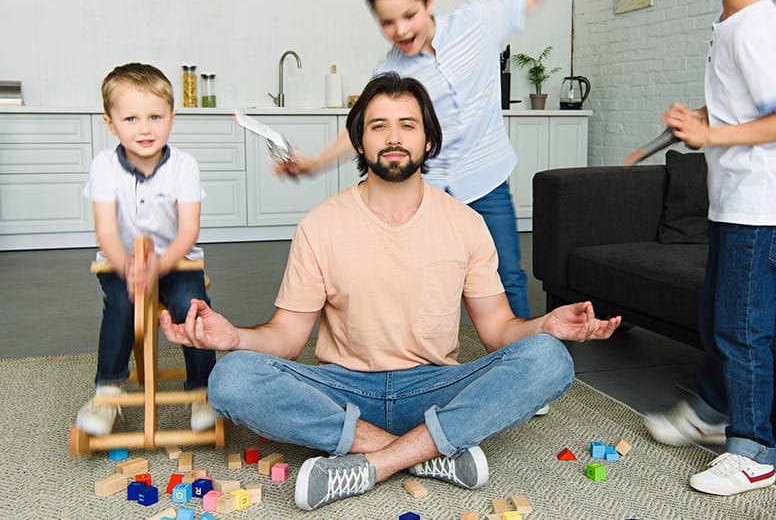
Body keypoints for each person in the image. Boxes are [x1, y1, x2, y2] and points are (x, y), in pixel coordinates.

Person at [161, 73, 621, 511]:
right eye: (379, 126)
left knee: (549, 358)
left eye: (408, 125)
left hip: (434, 386)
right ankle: (428, 452)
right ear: (360, 142)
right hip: (343, 390)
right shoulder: (320, 225)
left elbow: (499, 331)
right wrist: (234, 338)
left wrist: (545, 324)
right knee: (232, 378)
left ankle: (374, 463)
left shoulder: (466, 225)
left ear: (428, 140)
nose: (394, 137)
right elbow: (286, 338)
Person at [277, 0, 556, 319]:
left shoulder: (478, 21)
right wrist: (314, 163)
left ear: (429, 0)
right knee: (414, 285)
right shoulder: (390, 72)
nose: (400, 30)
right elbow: (365, 130)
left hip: (486, 182)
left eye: (409, 15)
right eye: (387, 22)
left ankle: (521, 363)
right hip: (427, 192)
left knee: (507, 278)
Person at [643, 0, 776, 497]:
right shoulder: (733, 20)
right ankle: (713, 411)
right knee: (719, 312)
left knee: (742, 329)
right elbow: (752, 108)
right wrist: (701, 116)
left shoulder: (755, 29)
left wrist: (709, 134)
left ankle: (753, 452)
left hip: (764, 201)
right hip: (740, 196)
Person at [76, 62, 217, 436]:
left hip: (176, 263)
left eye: (155, 117)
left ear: (172, 117)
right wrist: (127, 267)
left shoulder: (184, 165)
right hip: (121, 264)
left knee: (192, 308)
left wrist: (161, 265)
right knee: (121, 305)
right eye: (132, 119)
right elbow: (105, 230)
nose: (145, 129)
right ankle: (107, 392)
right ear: (111, 123)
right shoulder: (103, 166)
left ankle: (203, 390)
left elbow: (188, 229)